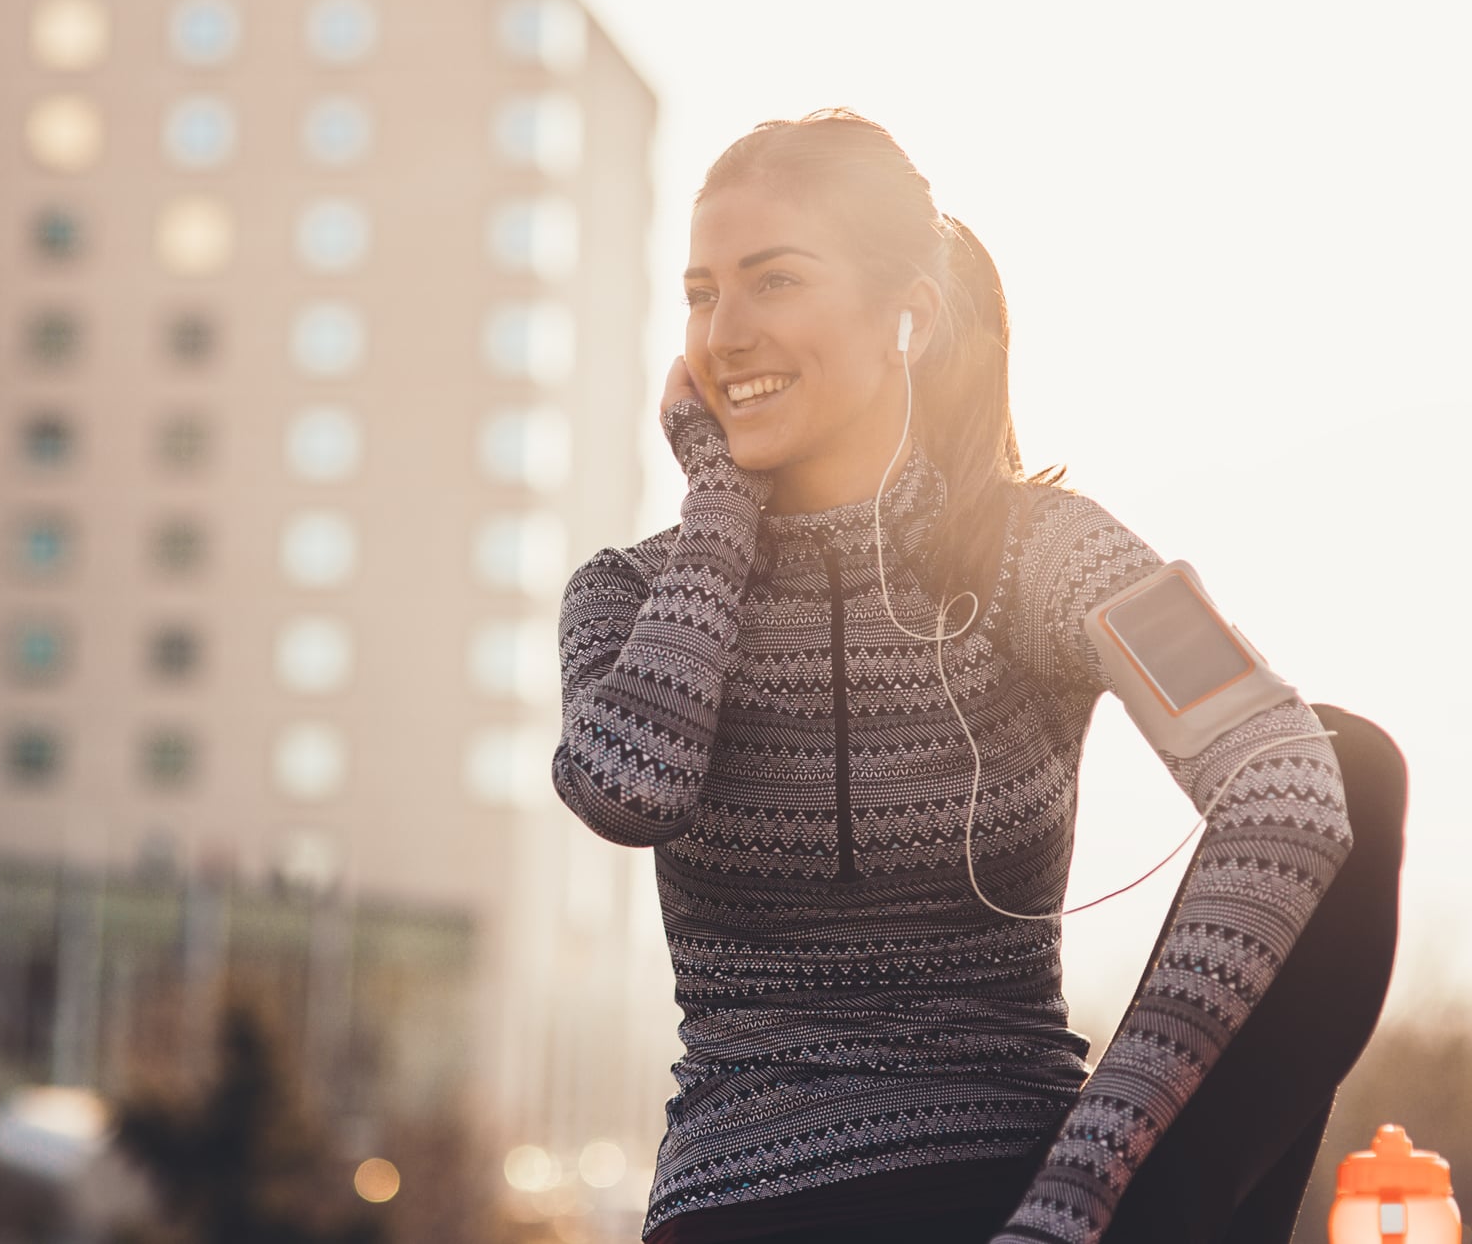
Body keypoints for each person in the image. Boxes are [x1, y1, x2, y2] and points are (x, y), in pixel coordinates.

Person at [551, 109, 1401, 1244]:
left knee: (1351, 760)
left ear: (905, 312)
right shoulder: (624, 593)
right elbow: (626, 789)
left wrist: (1071, 1197)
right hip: (745, 1201)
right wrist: (717, 505)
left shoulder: (1046, 551)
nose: (725, 333)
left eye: (774, 281)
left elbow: (1291, 780)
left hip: (1029, 1188)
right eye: (703, 295)